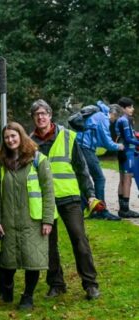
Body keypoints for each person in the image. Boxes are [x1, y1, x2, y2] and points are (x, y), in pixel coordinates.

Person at [29, 99, 101, 300]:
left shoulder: (68, 137)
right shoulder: (29, 142)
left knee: (79, 239)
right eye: (37, 115)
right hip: (43, 201)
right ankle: (56, 283)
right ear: (33, 118)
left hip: (69, 198)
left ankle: (90, 284)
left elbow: (81, 168)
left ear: (50, 115)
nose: (41, 117)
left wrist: (90, 194)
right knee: (49, 245)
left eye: (44, 113)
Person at [0, 122, 55, 309]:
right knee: (8, 261)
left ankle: (28, 296)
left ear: (21, 136)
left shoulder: (38, 160)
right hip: (9, 220)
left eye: (14, 136)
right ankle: (8, 286)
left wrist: (47, 219)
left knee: (32, 260)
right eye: (7, 137)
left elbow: (48, 192)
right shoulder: (1, 163)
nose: (11, 140)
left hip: (32, 220)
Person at [77, 103, 123, 220]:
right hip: (85, 148)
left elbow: (99, 141)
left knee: (84, 178)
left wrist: (113, 145)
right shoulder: (103, 118)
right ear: (113, 114)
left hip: (80, 146)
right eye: (115, 119)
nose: (114, 122)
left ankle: (87, 209)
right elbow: (107, 141)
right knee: (99, 178)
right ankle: (101, 211)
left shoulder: (97, 115)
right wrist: (118, 146)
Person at [114, 97, 139, 218]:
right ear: (123, 108)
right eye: (129, 107)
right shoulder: (124, 120)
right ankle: (125, 210)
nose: (132, 109)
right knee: (127, 180)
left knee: (123, 179)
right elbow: (129, 138)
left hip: (122, 151)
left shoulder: (121, 119)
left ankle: (122, 209)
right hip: (127, 152)